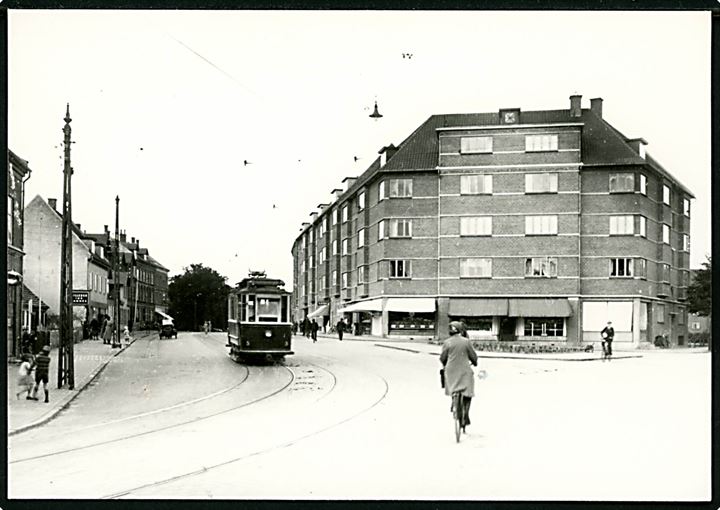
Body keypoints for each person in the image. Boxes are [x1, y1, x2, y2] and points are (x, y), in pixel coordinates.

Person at [439, 321, 478, 433]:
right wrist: (474, 362)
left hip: (451, 371)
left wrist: (445, 364)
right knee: (468, 393)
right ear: (461, 330)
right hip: (465, 371)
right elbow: (473, 356)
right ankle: (465, 416)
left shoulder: (447, 342)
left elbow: (442, 358)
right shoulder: (466, 342)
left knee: (453, 387)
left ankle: (454, 401)